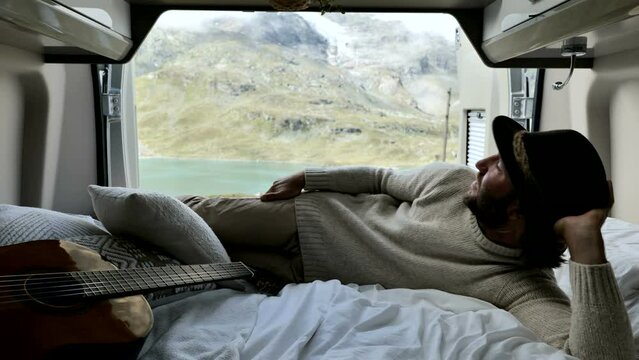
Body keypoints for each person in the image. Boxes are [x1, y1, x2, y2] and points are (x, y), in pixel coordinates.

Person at [179, 116, 634, 358]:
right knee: (188, 217)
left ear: (521, 206)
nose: (481, 163)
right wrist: (310, 177)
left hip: (302, 272)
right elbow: (380, 176)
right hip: (305, 217)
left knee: (190, 267)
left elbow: (603, 358)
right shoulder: (452, 182)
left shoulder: (520, 285)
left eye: (500, 167)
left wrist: (586, 241)